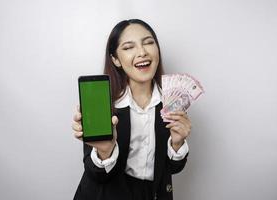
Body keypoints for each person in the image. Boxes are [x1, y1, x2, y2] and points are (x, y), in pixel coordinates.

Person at [72, 19, 191, 200]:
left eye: (149, 43)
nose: (142, 52)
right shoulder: (103, 104)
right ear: (116, 60)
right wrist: (105, 152)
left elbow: (173, 169)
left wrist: (177, 143)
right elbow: (96, 174)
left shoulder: (172, 102)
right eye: (129, 47)